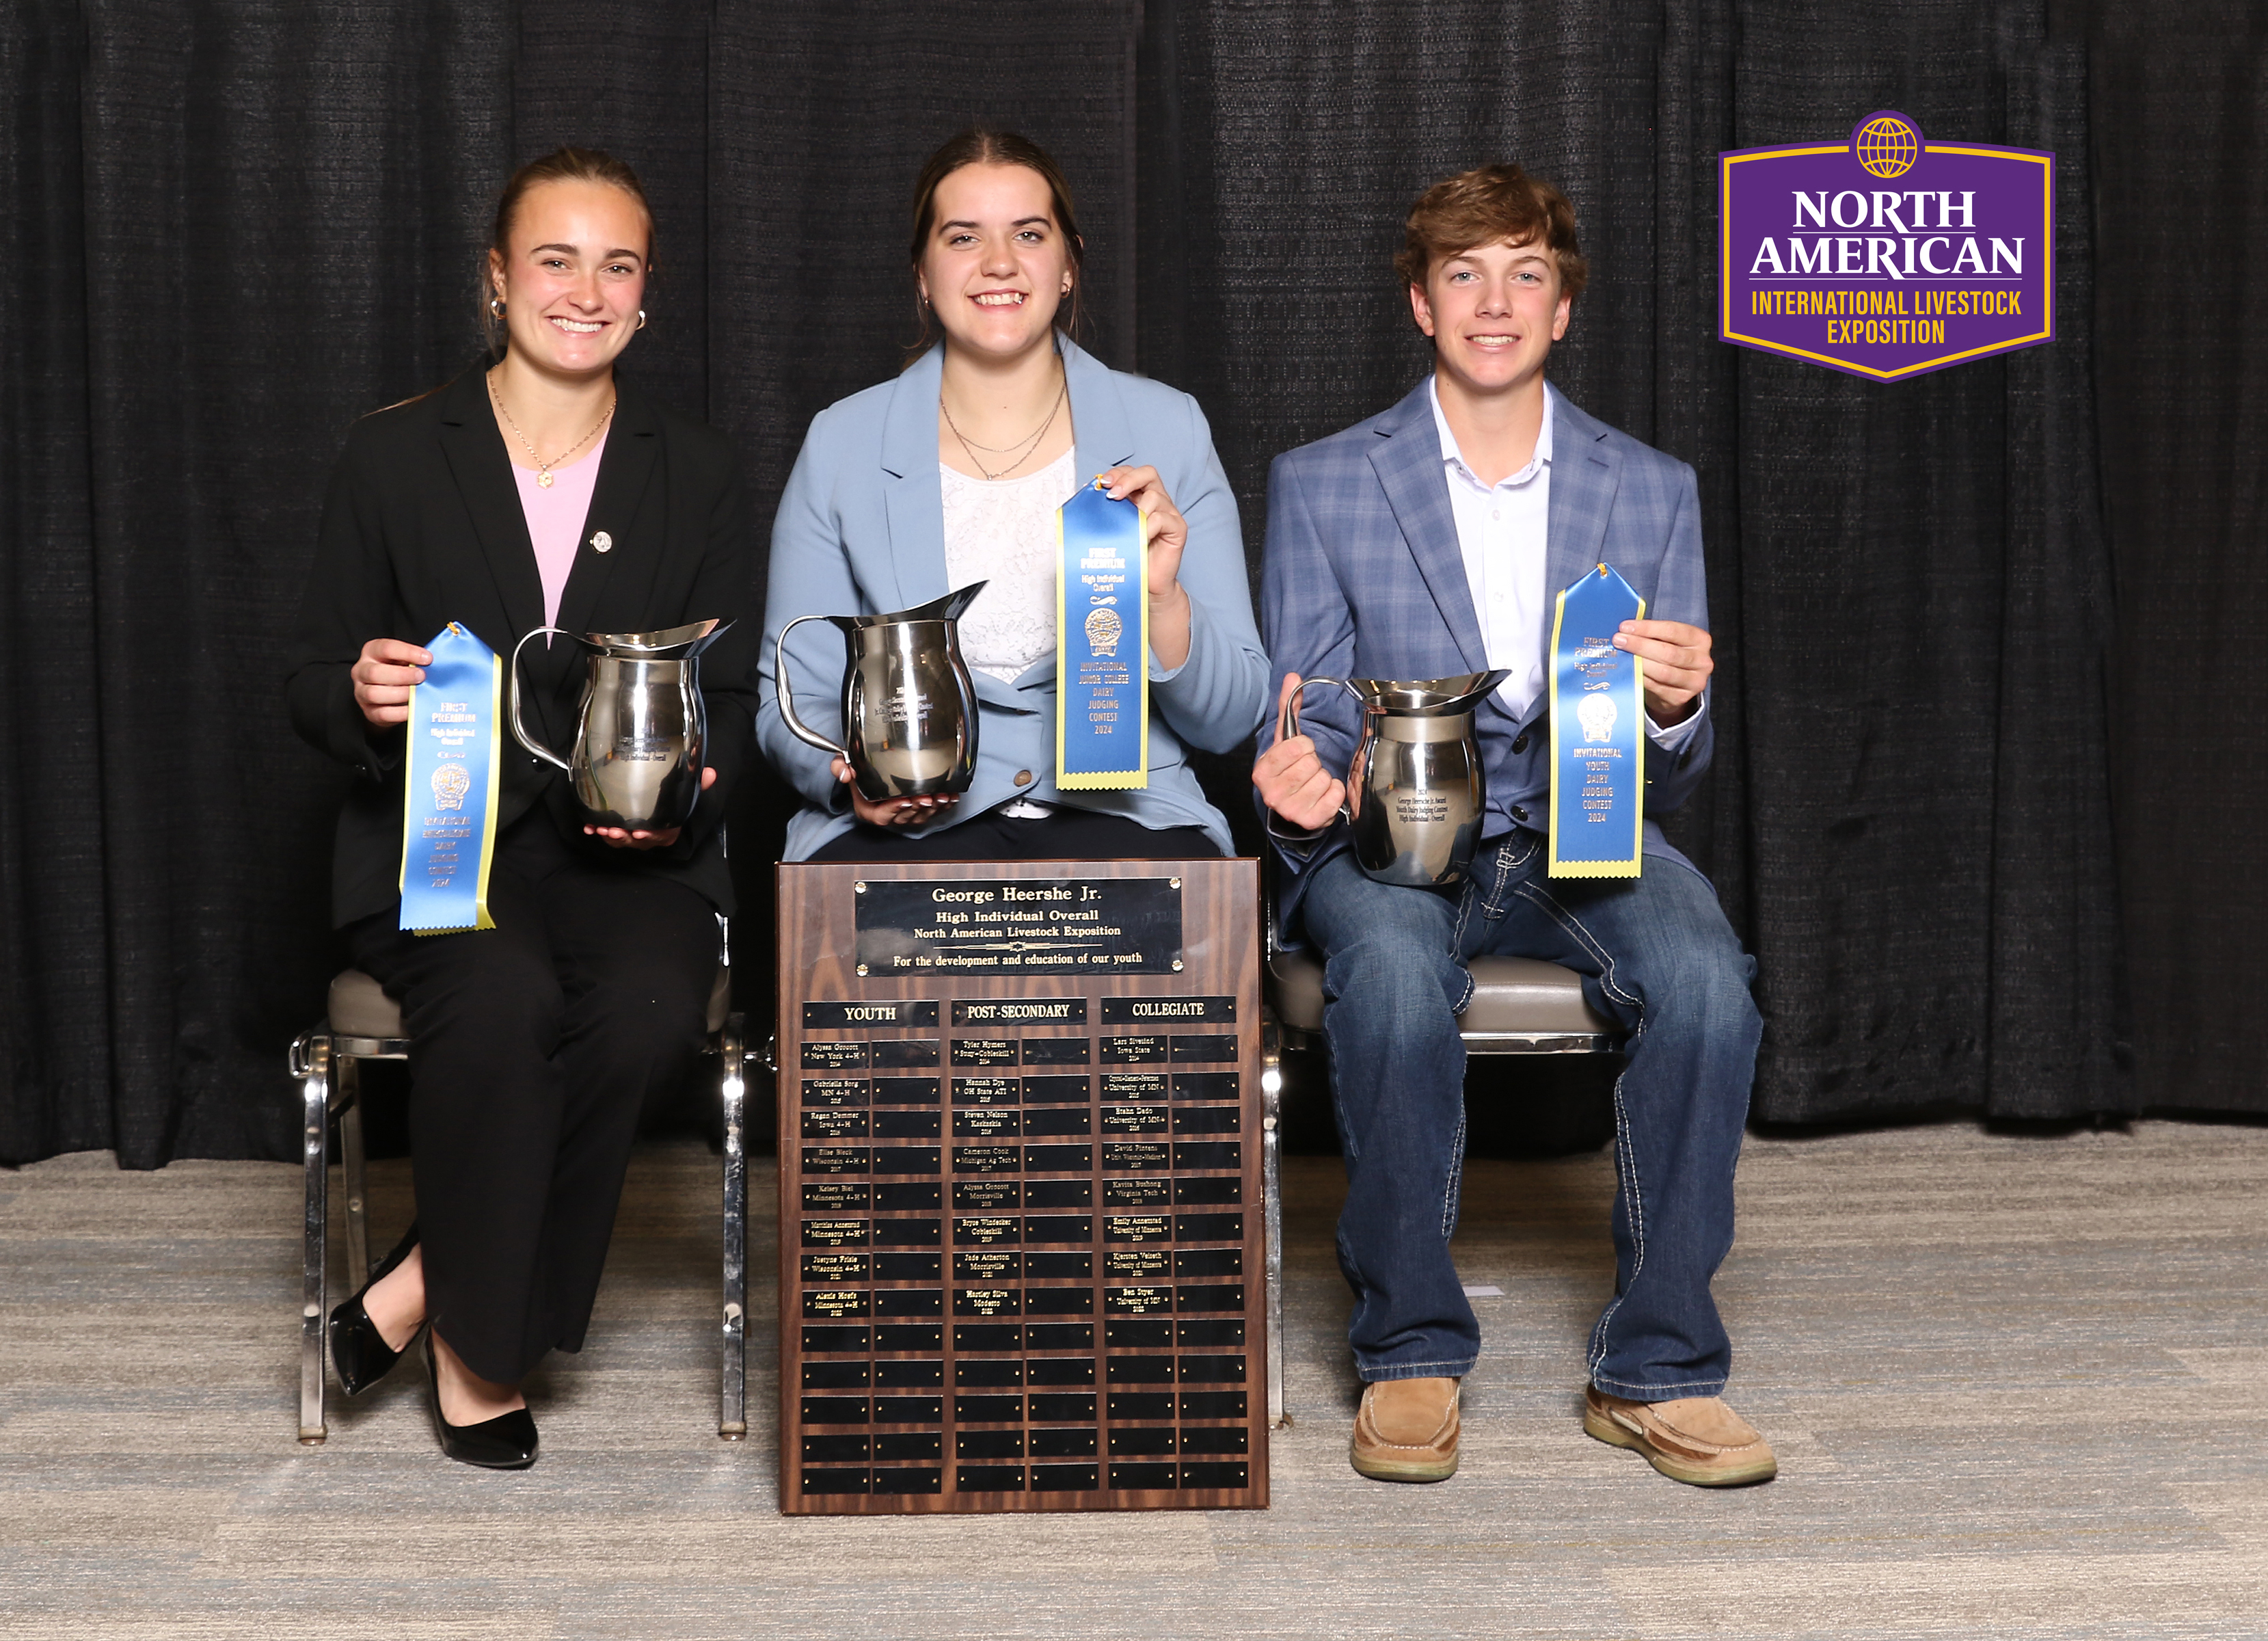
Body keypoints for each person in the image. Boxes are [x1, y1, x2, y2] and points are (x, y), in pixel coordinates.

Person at [1252, 163, 1773, 1488]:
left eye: (1526, 272)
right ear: (1422, 304)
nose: (1496, 301)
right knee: (1389, 975)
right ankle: (1409, 1347)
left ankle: (1658, 1366)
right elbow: (1307, 714)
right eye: (1466, 275)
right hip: (1395, 842)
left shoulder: (1650, 487)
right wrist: (1297, 783)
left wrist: (1672, 710)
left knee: (1711, 984)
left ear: (1563, 306)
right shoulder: (1323, 482)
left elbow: (1681, 758)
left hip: (1577, 839)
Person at [286, 147, 753, 1469]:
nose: (586, 290)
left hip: (634, 861)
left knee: (655, 1009)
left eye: (618, 266)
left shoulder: (699, 468)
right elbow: (307, 676)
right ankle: (483, 1360)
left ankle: (413, 1292)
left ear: (647, 296)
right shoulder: (392, 456)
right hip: (439, 852)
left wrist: (697, 786)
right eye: (556, 260)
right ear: (498, 281)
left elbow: (721, 691)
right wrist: (358, 692)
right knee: (500, 1000)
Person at [756, 128, 1266, 863]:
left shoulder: (1169, 429)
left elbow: (1232, 720)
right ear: (923, 276)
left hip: (1129, 818)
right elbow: (789, 695)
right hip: (914, 825)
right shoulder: (842, 442)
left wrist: (1162, 604)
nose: (999, 262)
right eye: (963, 237)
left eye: (1029, 233)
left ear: (1067, 265)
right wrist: (847, 777)